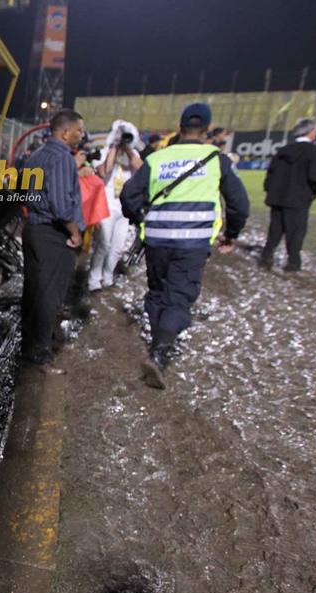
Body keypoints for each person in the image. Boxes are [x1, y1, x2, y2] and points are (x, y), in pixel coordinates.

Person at [121, 102, 250, 389]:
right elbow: (239, 204)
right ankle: (160, 353)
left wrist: (140, 220)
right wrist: (232, 233)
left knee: (157, 292)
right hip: (192, 243)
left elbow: (129, 195)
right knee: (179, 297)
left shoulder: (157, 158)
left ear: (179, 129)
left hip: (156, 239)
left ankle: (157, 343)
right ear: (206, 130)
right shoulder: (216, 158)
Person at [20, 108, 85, 374]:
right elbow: (61, 206)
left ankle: (29, 345)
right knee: (49, 295)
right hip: (53, 233)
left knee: (34, 291)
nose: (81, 136)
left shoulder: (35, 155)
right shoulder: (63, 159)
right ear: (65, 131)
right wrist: (75, 232)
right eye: (79, 130)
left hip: (34, 229)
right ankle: (41, 354)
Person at [259, 117, 316, 271]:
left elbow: (270, 174)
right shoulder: (313, 152)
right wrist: (315, 191)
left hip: (277, 197)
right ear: (310, 132)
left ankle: (266, 258)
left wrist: (270, 190)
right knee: (296, 232)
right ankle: (293, 262)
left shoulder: (283, 150)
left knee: (275, 230)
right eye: (315, 131)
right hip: (299, 198)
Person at [88, 119, 144, 292]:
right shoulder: (104, 152)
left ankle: (108, 276)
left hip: (124, 208)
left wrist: (127, 149)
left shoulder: (132, 155)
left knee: (117, 247)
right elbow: (104, 170)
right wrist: (114, 147)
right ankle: (93, 280)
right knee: (103, 244)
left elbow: (142, 170)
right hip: (106, 206)